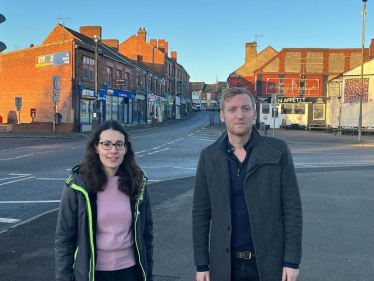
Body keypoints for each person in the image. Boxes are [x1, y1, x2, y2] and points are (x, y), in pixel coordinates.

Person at [192, 87, 302, 281]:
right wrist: (202, 264)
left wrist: (292, 261)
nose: (240, 115)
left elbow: (292, 209)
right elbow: (201, 214)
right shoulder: (209, 156)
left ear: (254, 113)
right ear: (223, 115)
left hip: (268, 264)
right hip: (224, 265)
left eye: (246, 108)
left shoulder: (277, 151)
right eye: (232, 109)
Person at [55, 120, 153, 281]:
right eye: (106, 144)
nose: (113, 151)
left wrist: (148, 275)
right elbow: (64, 240)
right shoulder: (78, 186)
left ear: (126, 148)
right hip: (92, 273)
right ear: (96, 147)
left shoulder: (138, 183)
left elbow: (146, 235)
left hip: (130, 272)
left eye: (119, 144)